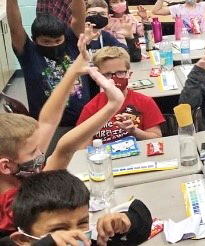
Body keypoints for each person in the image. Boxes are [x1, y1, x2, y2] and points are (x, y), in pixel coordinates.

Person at [0, 34, 125, 234]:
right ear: (6, 166)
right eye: (33, 152)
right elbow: (64, 150)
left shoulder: (19, 175)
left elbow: (48, 121)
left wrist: (74, 71)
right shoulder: (15, 205)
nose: (41, 153)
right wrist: (113, 105)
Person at [5, 0, 90, 126]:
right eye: (46, 42)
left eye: (58, 40)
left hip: (84, 121)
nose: (53, 45)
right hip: (49, 129)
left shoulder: (72, 43)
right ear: (35, 40)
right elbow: (15, 28)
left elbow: (79, 17)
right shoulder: (29, 54)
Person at [3, 170, 152, 246]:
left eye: (82, 223)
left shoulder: (89, 240)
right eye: (58, 230)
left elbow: (142, 223)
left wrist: (126, 221)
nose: (75, 234)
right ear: (23, 240)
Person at [76, 47, 163, 144]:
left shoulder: (145, 102)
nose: (114, 79)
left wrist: (135, 131)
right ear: (98, 78)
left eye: (120, 73)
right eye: (107, 74)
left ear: (129, 74)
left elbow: (157, 138)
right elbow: (80, 147)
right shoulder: (91, 108)